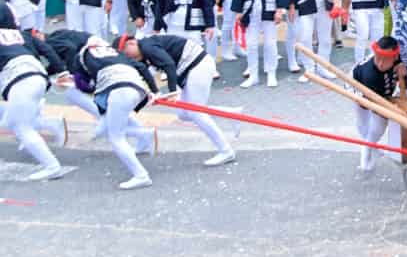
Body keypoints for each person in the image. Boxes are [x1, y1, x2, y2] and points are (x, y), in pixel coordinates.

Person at [116, 33, 235, 166]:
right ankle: (232, 114)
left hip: (198, 65)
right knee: (183, 114)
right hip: (191, 69)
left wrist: (172, 92)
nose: (128, 57)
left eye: (126, 53)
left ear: (132, 43)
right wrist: (151, 96)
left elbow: (169, 65)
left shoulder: (147, 47)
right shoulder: (144, 53)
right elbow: (145, 78)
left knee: (195, 112)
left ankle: (226, 150)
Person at [76, 38, 159, 189]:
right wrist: (154, 91)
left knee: (116, 137)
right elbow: (141, 66)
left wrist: (85, 86)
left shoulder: (82, 55)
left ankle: (141, 175)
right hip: (137, 88)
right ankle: (144, 135)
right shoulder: (116, 53)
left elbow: (81, 83)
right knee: (111, 126)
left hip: (118, 90)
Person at [0, 21, 70, 180]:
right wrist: (61, 71)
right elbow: (46, 49)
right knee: (12, 120)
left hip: (19, 79)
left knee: (20, 126)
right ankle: (51, 124)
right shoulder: (19, 34)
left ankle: (52, 166)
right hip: (37, 75)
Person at [350, 35, 402, 173]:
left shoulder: (399, 59)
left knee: (377, 129)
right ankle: (366, 156)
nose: (380, 63)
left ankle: (370, 145)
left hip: (380, 90)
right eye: (377, 57)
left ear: (395, 57)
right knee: (365, 124)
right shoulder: (370, 74)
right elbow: (377, 106)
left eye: (385, 60)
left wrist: (402, 70)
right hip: (358, 85)